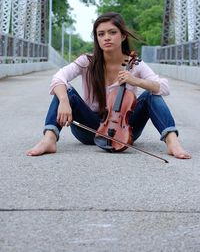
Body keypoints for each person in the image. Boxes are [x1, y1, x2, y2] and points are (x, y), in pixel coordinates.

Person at [26, 12, 191, 159]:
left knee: (151, 95)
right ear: (97, 38)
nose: (106, 37)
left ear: (123, 36)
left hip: (124, 131)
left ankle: (172, 141)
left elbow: (164, 87)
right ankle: (49, 139)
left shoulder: (134, 64)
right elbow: (59, 77)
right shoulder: (87, 61)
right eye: (101, 34)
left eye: (112, 32)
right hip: (89, 129)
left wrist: (137, 81)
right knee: (64, 90)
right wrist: (63, 100)